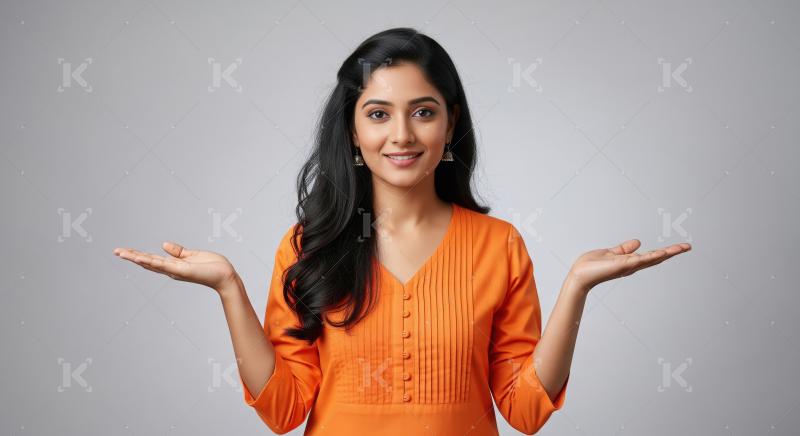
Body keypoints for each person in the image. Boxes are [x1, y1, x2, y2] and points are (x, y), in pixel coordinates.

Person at [113, 27, 691, 435]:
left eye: (423, 110)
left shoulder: (499, 245)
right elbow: (285, 411)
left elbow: (525, 410)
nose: (402, 136)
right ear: (352, 128)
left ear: (450, 122)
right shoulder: (306, 247)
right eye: (378, 113)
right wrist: (228, 289)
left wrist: (576, 289)